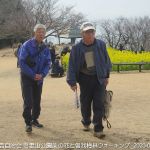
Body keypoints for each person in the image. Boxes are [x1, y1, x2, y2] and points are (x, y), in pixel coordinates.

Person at [66, 22, 112, 138]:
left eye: (92, 31)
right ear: (82, 34)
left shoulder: (101, 44)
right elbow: (71, 65)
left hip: (99, 78)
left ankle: (98, 128)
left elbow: (106, 61)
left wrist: (106, 76)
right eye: (87, 32)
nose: (90, 34)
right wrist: (72, 82)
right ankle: (86, 121)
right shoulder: (76, 48)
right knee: (85, 103)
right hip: (84, 78)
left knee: (99, 103)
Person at [19, 24, 51, 133]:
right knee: (28, 101)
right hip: (27, 77)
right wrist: (33, 75)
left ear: (45, 34)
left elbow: (48, 63)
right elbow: (22, 62)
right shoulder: (27, 45)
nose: (41, 34)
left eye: (43, 32)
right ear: (34, 32)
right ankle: (28, 123)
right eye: (39, 31)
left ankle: (34, 119)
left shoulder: (45, 47)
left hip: (39, 78)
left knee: (37, 100)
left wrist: (42, 74)